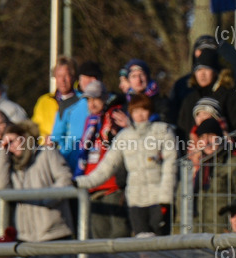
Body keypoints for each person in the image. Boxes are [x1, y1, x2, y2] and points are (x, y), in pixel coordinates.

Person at [0, 121, 74, 258]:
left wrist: (48, 199)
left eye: (14, 141)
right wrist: (2, 152)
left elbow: (65, 178)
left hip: (51, 233)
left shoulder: (46, 154)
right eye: (7, 143)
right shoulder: (12, 164)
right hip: (26, 236)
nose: (11, 146)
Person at [76, 94, 177, 236]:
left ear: (150, 111)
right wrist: (79, 182)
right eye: (136, 111)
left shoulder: (163, 131)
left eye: (144, 110)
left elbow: (170, 168)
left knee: (160, 247)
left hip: (158, 199)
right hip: (136, 201)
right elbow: (106, 167)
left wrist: (165, 199)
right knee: (141, 246)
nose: (140, 115)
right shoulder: (124, 136)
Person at [76, 81, 130, 239]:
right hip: (93, 188)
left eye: (96, 99)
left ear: (105, 98)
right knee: (99, 237)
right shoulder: (90, 122)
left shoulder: (114, 115)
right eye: (88, 100)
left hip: (112, 186)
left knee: (119, 235)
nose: (92, 104)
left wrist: (117, 131)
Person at [31, 57, 82, 144]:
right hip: (48, 151)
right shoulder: (44, 101)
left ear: (73, 77)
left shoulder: (82, 101)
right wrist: (44, 139)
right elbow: (34, 129)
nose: (62, 80)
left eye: (67, 75)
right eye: (59, 76)